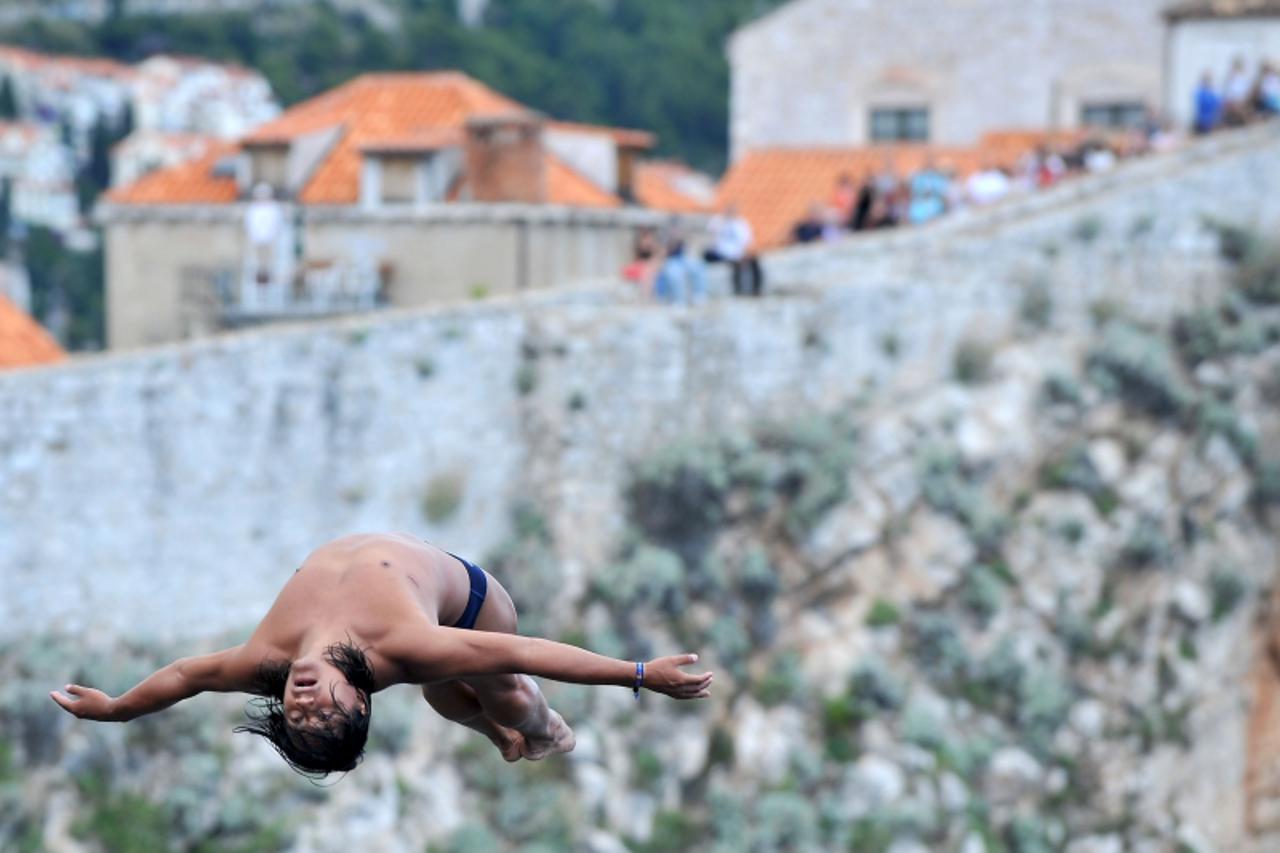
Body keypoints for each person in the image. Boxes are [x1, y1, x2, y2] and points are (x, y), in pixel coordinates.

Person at [49, 534, 713, 776]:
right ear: (359, 698)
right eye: (323, 712)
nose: (304, 700)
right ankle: (542, 732)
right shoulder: (403, 644)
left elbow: (185, 676)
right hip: (477, 600)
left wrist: (117, 709)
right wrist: (638, 673)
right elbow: (532, 649)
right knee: (505, 686)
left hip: (437, 624)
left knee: (443, 686)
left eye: (296, 712)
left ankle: (497, 731)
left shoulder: (264, 660)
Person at [704, 203, 763, 297]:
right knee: (735, 264)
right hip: (723, 253)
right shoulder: (719, 221)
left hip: (739, 252)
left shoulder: (741, 223)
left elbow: (747, 241)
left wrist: (745, 253)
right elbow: (713, 237)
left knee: (754, 261)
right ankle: (738, 290)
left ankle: (756, 289)